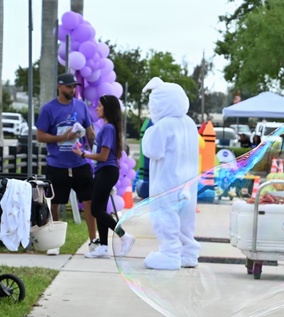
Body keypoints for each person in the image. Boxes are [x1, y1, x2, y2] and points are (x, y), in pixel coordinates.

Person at [140, 77, 201, 270]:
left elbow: (153, 151)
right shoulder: (190, 123)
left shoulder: (164, 125)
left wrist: (150, 131)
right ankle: (189, 253)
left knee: (165, 218)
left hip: (167, 182)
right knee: (186, 221)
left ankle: (170, 254)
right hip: (188, 183)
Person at [36, 71, 98, 255]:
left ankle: (93, 241)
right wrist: (63, 137)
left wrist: (95, 146)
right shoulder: (49, 109)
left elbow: (90, 131)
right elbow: (40, 135)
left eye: (74, 87)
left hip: (80, 163)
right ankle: (55, 243)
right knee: (54, 204)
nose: (72, 90)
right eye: (69, 86)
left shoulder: (81, 106)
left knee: (89, 202)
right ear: (60, 87)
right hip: (57, 164)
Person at [72, 95, 135, 259]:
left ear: (107, 108)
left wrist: (83, 154)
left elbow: (103, 156)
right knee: (100, 208)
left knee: (95, 209)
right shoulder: (110, 127)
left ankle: (124, 236)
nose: (97, 108)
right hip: (104, 171)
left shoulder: (108, 129)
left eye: (99, 106)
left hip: (107, 171)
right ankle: (104, 247)